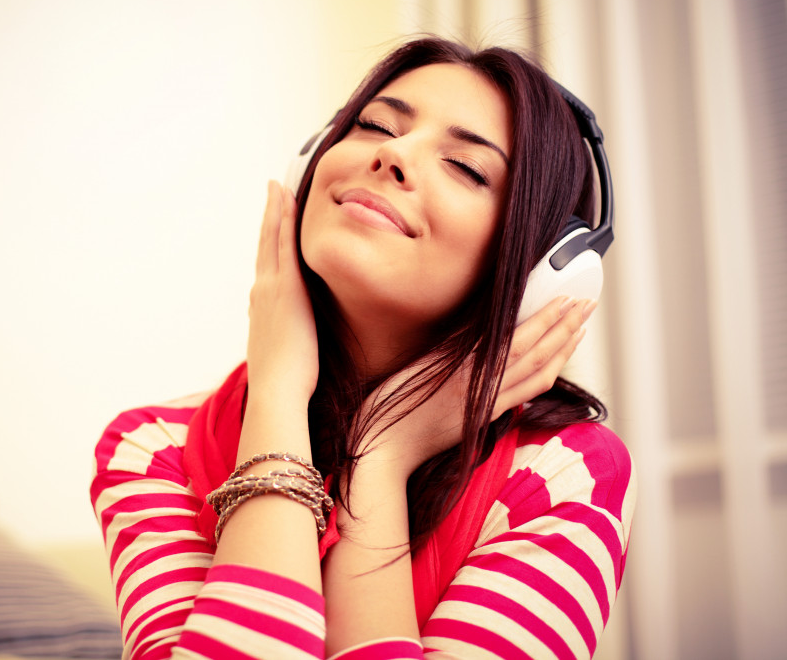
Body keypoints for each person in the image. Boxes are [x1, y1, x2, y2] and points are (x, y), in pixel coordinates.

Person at [91, 36, 635, 659]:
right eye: (376, 125)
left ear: (542, 272)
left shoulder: (563, 476)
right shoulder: (152, 447)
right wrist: (276, 392)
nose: (394, 153)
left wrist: (380, 452)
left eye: (467, 167)